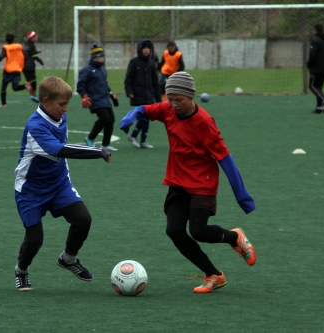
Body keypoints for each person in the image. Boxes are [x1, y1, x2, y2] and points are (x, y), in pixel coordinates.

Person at [119, 72, 256, 293]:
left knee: (199, 231)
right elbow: (144, 109)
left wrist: (243, 196)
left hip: (203, 183)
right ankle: (214, 275)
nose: (173, 104)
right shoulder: (167, 109)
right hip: (177, 183)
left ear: (191, 97)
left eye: (179, 100)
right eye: (170, 98)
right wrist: (131, 116)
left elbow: (225, 159)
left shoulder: (205, 123)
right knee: (174, 231)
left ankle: (235, 237)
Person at [13, 76, 112, 291]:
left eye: (67, 104)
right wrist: (97, 151)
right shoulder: (35, 127)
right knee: (35, 239)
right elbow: (59, 149)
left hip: (59, 184)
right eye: (62, 104)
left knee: (83, 219)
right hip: (31, 190)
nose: (65, 109)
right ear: (46, 101)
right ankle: (21, 270)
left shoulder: (58, 116)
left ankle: (68, 258)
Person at [77, 43, 119, 152]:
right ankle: (90, 138)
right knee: (104, 117)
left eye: (102, 57)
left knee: (111, 120)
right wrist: (84, 95)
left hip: (105, 98)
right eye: (99, 57)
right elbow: (80, 84)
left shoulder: (102, 69)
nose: (101, 59)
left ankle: (106, 144)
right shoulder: (87, 70)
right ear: (94, 58)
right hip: (94, 99)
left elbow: (105, 84)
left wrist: (111, 93)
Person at [124, 39, 161, 149]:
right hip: (138, 95)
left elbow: (155, 82)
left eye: (148, 48)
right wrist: (129, 91)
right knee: (145, 116)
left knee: (147, 116)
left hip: (149, 95)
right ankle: (133, 136)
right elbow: (128, 79)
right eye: (144, 48)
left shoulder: (151, 64)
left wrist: (158, 99)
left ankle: (143, 140)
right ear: (140, 50)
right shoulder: (134, 62)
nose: (146, 50)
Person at [0, 33, 27, 108]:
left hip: (8, 70)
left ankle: (4, 104)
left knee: (3, 87)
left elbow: (1, 56)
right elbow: (24, 55)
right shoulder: (19, 46)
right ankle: (25, 86)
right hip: (17, 70)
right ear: (14, 39)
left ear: (6, 40)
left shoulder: (6, 47)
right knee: (15, 87)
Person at [307, 23, 324, 114]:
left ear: (315, 30)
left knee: (312, 86)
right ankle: (319, 108)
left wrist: (309, 64)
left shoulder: (315, 41)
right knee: (319, 87)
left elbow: (312, 55)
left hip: (316, 68)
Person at [23, 31, 45, 104]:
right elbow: (34, 56)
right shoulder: (32, 45)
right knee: (33, 80)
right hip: (30, 65)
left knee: (28, 80)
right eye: (36, 37)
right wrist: (42, 63)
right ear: (32, 38)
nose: (37, 38)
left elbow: (28, 53)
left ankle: (30, 91)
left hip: (23, 65)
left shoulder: (26, 45)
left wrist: (36, 52)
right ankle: (33, 95)